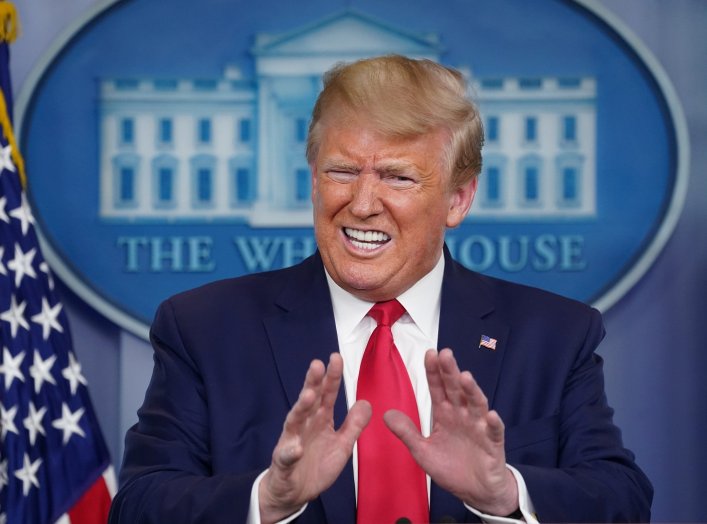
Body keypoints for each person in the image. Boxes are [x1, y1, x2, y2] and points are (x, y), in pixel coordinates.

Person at [109, 55, 653, 523]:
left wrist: (506, 493)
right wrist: (266, 499)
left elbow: (623, 501)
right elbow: (137, 505)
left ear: (459, 200)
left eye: (397, 177)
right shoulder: (205, 328)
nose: (362, 203)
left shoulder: (553, 335)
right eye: (342, 171)